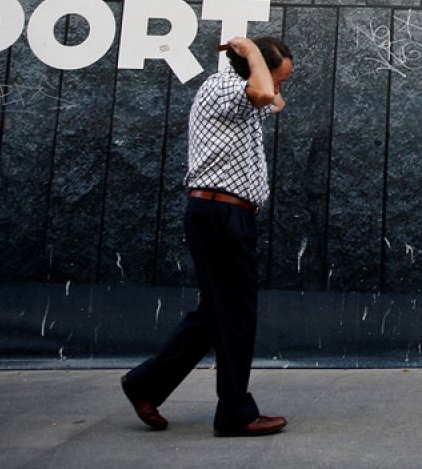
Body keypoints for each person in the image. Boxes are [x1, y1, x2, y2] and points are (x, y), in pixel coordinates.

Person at [120, 36, 294, 435]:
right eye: (280, 77)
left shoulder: (246, 100)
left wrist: (265, 74)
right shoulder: (222, 88)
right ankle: (234, 412)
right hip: (220, 213)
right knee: (235, 315)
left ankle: (146, 383)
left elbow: (273, 98)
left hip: (227, 216)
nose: (279, 87)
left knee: (217, 314)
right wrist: (250, 50)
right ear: (253, 67)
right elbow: (268, 91)